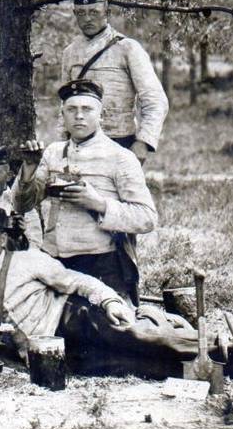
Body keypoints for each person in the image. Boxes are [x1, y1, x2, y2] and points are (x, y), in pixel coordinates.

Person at [0, 205, 231, 378]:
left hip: (76, 319)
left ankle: (223, 347)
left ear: (2, 239)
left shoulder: (29, 260)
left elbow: (77, 281)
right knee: (127, 365)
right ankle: (229, 367)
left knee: (138, 338)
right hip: (47, 348)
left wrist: (110, 301)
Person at [14, 79, 157, 306]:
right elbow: (21, 205)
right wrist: (28, 171)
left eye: (87, 109)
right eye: (71, 109)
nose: (78, 116)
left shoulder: (120, 157)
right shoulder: (53, 153)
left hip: (101, 264)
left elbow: (147, 218)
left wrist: (99, 204)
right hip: (55, 263)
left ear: (101, 115)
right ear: (63, 115)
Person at [60, 0, 169, 163]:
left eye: (94, 12)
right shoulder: (70, 53)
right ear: (75, 14)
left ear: (107, 12)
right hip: (78, 146)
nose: (87, 19)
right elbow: (64, 105)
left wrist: (143, 141)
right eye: (81, 13)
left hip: (120, 143)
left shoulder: (128, 48)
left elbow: (156, 99)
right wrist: (63, 145)